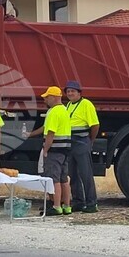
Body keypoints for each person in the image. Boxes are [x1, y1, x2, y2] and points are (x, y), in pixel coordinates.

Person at [64, 80, 100, 213]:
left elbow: (95, 125)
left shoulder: (86, 104)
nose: (70, 93)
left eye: (73, 91)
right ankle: (78, 201)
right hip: (70, 142)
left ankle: (92, 203)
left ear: (79, 93)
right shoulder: (68, 105)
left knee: (86, 173)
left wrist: (90, 141)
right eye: (68, 91)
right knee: (72, 173)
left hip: (81, 140)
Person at [39, 86, 72, 216]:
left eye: (47, 97)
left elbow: (50, 133)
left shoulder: (53, 112)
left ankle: (56, 206)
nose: (45, 100)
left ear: (54, 97)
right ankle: (67, 206)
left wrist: (46, 150)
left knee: (54, 179)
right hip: (65, 149)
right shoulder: (65, 110)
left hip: (54, 150)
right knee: (64, 179)